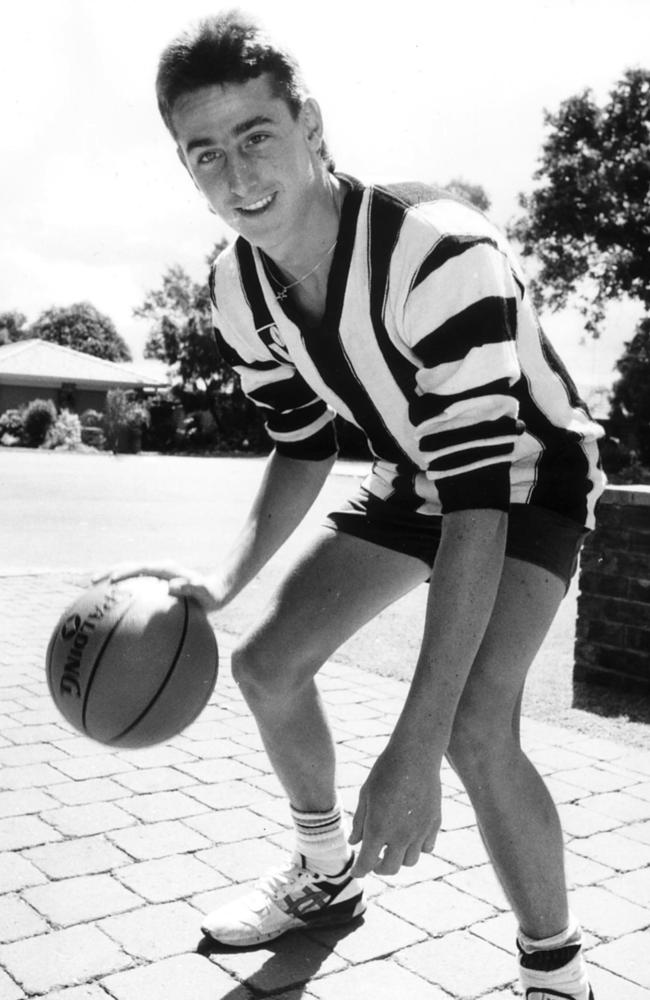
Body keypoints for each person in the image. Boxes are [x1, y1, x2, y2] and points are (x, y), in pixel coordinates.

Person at [109, 12, 605, 998]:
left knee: (470, 724)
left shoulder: (436, 256)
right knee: (264, 661)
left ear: (311, 127)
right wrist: (222, 581)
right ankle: (322, 876)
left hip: (525, 477)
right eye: (204, 154)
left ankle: (555, 973)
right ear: (184, 168)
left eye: (256, 136)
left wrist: (408, 751)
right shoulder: (233, 288)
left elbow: (477, 509)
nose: (236, 175)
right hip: (413, 473)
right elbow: (301, 446)